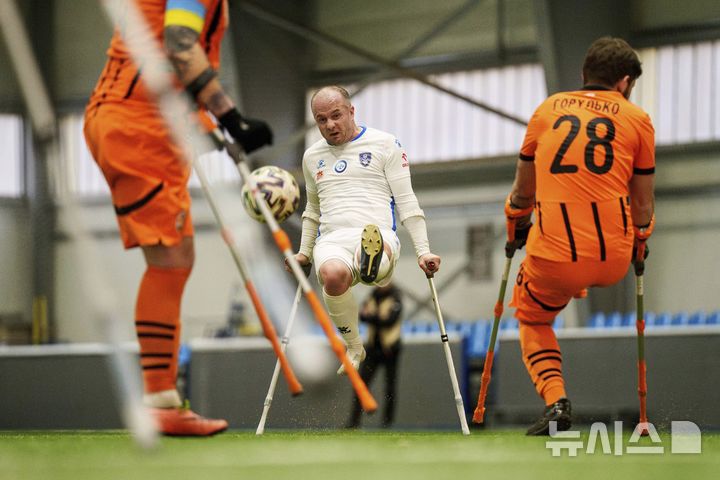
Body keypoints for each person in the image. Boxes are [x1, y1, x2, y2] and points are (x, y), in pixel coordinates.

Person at [83, 0, 272, 436]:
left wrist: (200, 121)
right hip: (138, 125)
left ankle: (162, 400)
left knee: (176, 257)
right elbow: (180, 42)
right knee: (170, 259)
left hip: (143, 120)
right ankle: (159, 402)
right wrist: (231, 117)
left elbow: (162, 56)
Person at [505, 37, 655, 435]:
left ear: (583, 74)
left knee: (533, 318)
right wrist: (641, 241)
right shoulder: (638, 119)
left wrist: (515, 224)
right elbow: (642, 205)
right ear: (624, 82)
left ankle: (556, 401)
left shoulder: (547, 109)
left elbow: (522, 193)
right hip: (613, 259)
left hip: (553, 259)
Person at [290, 85, 440, 376]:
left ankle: (373, 265)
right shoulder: (311, 157)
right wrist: (304, 254)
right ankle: (354, 346)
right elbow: (312, 210)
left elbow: (407, 201)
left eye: (336, 115)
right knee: (332, 275)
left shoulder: (385, 144)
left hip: (376, 233)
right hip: (332, 240)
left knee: (369, 254)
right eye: (321, 119)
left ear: (351, 111)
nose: (330, 124)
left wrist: (424, 251)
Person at [346, 283, 403, 429]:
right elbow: (362, 315)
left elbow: (389, 321)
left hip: (390, 348)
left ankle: (387, 424)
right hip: (372, 348)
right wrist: (376, 317)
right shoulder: (372, 296)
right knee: (361, 385)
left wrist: (372, 317)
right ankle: (354, 422)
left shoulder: (395, 297)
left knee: (390, 388)